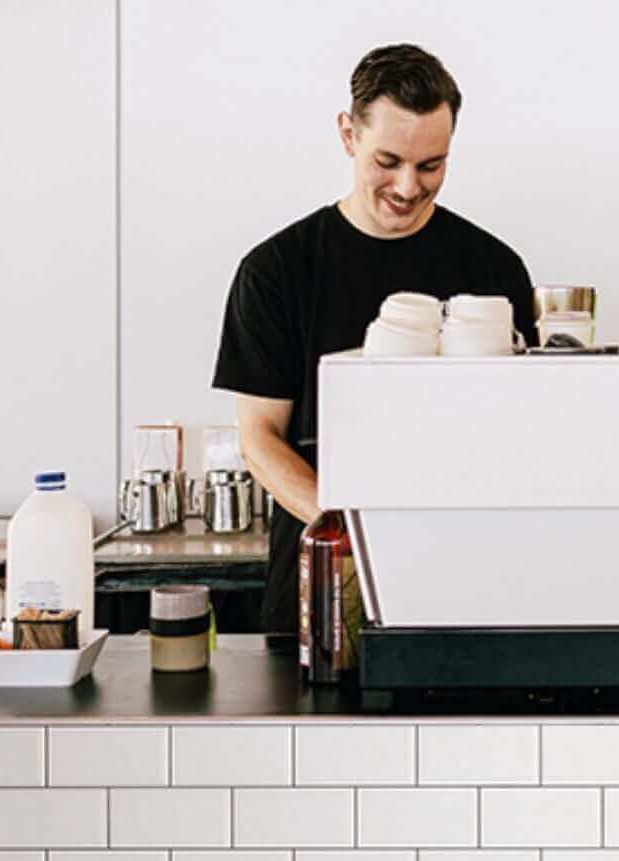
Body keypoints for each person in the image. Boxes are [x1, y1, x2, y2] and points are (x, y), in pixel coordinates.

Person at [215, 44, 537, 632]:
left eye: (432, 165)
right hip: (322, 588)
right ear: (348, 134)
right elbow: (260, 440)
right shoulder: (277, 270)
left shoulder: (493, 269)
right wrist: (356, 535)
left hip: (471, 586)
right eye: (388, 160)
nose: (408, 186)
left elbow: (526, 431)